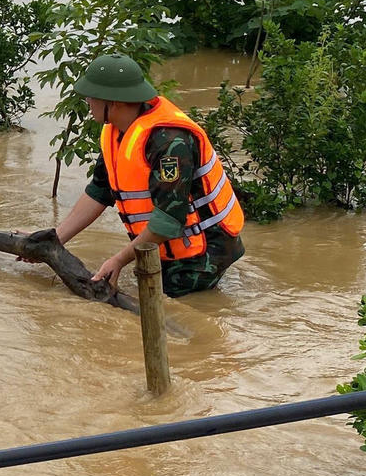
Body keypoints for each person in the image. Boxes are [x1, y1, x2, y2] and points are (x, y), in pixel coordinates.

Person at [29, 53, 245, 298]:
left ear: (114, 102)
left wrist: (119, 260)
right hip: (167, 245)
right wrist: (53, 240)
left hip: (204, 251)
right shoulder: (116, 132)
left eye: (92, 96)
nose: (87, 101)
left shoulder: (169, 143)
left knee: (174, 309)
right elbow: (99, 192)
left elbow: (167, 221)